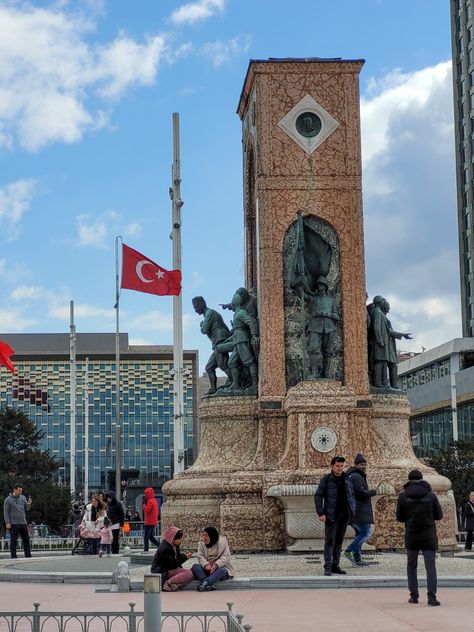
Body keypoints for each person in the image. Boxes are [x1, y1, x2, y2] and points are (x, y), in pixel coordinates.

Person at [396, 469, 443, 606]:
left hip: (412, 534)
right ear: (422, 479)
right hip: (428, 534)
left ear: (409, 480)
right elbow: (439, 516)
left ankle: (414, 596)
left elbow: (399, 518)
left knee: (411, 565)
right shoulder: (431, 495)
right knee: (430, 566)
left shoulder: (403, 496)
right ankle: (432, 597)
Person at [314, 456, 356, 576]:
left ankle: (335, 565)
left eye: (342, 466)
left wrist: (352, 511)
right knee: (329, 541)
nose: (340, 468)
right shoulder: (327, 479)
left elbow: (351, 495)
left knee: (339, 541)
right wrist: (320, 513)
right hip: (331, 515)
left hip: (344, 515)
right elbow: (318, 495)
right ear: (332, 466)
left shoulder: (347, 479)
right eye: (337, 466)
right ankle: (327, 566)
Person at [192, 296, 232, 394]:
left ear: (202, 304)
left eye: (196, 307)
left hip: (220, 339)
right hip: (217, 341)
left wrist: (202, 326)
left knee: (223, 364)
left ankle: (236, 382)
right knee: (209, 368)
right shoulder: (208, 314)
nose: (196, 310)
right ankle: (214, 389)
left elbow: (204, 330)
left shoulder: (209, 313)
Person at [343, 454, 377, 565]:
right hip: (360, 511)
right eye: (362, 464)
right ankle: (349, 551)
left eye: (365, 464)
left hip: (356, 511)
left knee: (359, 534)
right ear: (356, 465)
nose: (364, 466)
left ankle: (357, 560)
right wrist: (372, 492)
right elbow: (361, 493)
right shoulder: (357, 477)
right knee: (366, 533)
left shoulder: (353, 476)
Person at [306, 276, 339, 379]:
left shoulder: (331, 300)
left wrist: (329, 315)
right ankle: (314, 373)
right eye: (318, 284)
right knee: (313, 349)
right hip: (315, 326)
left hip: (329, 327)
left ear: (325, 286)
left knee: (328, 351)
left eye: (321, 284)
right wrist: (300, 283)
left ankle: (326, 374)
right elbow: (302, 295)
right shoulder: (313, 298)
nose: (319, 286)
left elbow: (336, 316)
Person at [151, 525, 194, 591]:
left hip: (169, 569)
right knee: (190, 574)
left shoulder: (174, 545)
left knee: (192, 574)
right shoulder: (165, 548)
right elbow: (172, 564)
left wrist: (185, 556)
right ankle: (168, 582)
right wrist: (185, 557)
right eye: (179, 539)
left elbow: (176, 559)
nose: (180, 541)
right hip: (163, 571)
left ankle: (174, 585)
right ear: (172, 538)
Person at [192, 526, 234, 591]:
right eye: (203, 535)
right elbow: (200, 557)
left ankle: (204, 583)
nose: (204, 538)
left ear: (212, 536)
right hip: (207, 569)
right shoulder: (201, 543)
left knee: (222, 571)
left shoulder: (223, 543)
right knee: (195, 567)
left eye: (206, 535)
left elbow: (225, 557)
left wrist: (216, 565)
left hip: (219, 568)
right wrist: (206, 565)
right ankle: (209, 584)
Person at [3, 483, 32, 559]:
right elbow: (6, 512)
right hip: (13, 524)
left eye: (21, 491)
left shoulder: (23, 498)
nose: (20, 492)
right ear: (14, 490)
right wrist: (7, 522)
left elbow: (27, 508)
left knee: (26, 540)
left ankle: (28, 556)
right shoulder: (8, 500)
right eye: (19, 490)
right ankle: (13, 557)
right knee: (13, 541)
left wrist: (29, 503)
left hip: (23, 523)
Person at [143, 487, 159, 552]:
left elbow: (147, 511)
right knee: (150, 537)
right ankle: (159, 545)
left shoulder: (149, 501)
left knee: (146, 537)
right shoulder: (154, 500)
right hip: (153, 522)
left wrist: (144, 505)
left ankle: (146, 550)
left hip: (149, 522)